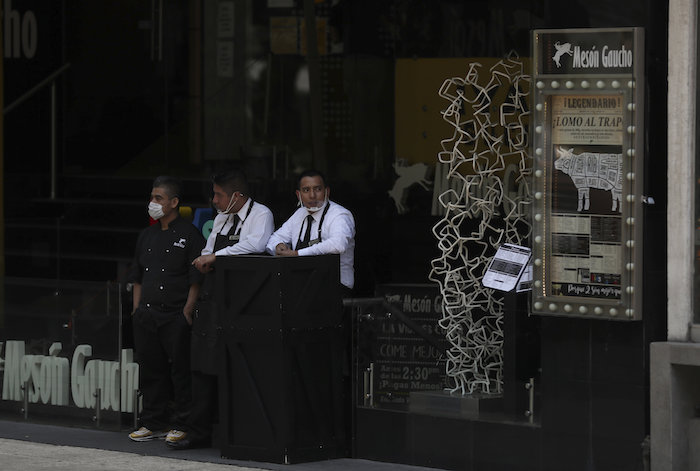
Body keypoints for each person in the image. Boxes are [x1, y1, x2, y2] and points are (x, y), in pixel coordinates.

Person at [166, 169, 274, 450]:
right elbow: (208, 250)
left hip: (244, 301)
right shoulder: (222, 218)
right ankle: (199, 431)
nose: (214, 200)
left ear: (237, 196)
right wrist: (209, 258)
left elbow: (256, 244)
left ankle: (236, 432)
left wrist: (217, 256)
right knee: (202, 368)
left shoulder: (261, 214)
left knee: (238, 368)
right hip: (213, 299)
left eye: (219, 194)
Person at [127, 176, 205, 442]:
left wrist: (187, 311)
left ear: (174, 202)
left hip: (175, 314)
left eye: (158, 198)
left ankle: (183, 423)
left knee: (181, 370)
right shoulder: (146, 235)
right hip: (147, 314)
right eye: (152, 197)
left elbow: (195, 278)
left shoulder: (189, 233)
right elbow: (137, 276)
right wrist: (137, 310)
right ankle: (152, 421)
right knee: (151, 369)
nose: (153, 203)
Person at [266, 169, 356, 293]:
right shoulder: (299, 214)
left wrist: (297, 254)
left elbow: (338, 245)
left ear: (327, 192)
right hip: (303, 285)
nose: (312, 195)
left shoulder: (339, 214)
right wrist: (278, 246)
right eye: (306, 190)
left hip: (335, 287)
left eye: (317, 189)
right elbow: (274, 238)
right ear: (299, 195)